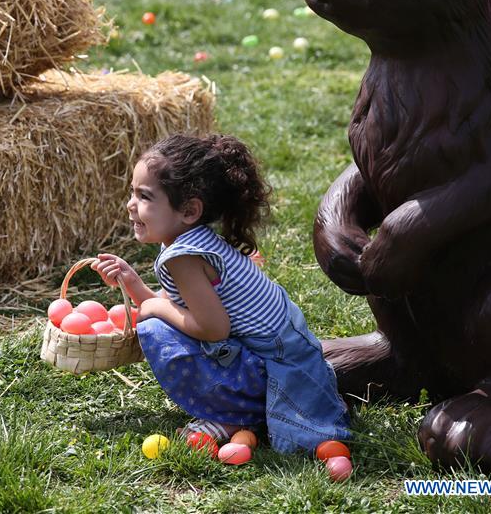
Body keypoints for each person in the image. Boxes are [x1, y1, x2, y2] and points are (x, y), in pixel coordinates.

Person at [92, 134, 351, 453]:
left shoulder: (185, 257)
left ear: (189, 210)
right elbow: (182, 305)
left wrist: (155, 309)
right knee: (159, 317)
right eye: (133, 194)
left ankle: (237, 415)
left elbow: (213, 329)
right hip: (276, 350)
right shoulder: (189, 240)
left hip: (275, 365)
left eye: (145, 197)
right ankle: (243, 407)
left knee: (155, 330)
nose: (131, 205)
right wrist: (132, 283)